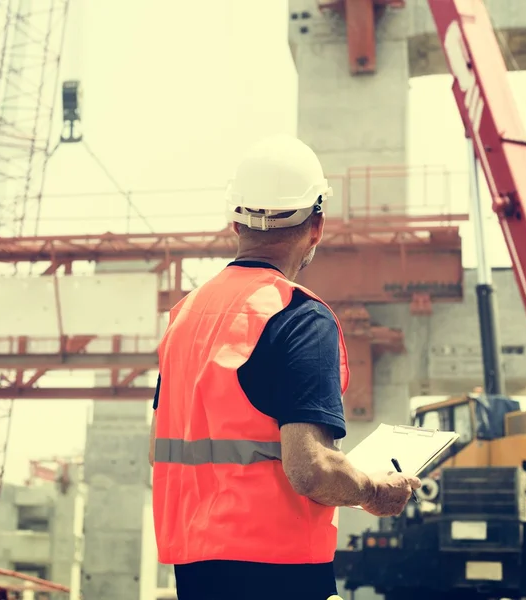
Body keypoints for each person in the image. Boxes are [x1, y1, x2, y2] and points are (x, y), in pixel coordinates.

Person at [149, 133, 421, 600]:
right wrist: (376, 490)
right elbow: (310, 470)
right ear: (317, 226)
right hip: (280, 572)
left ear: (235, 222)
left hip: (194, 573)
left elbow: (159, 452)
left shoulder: (184, 317)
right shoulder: (298, 317)